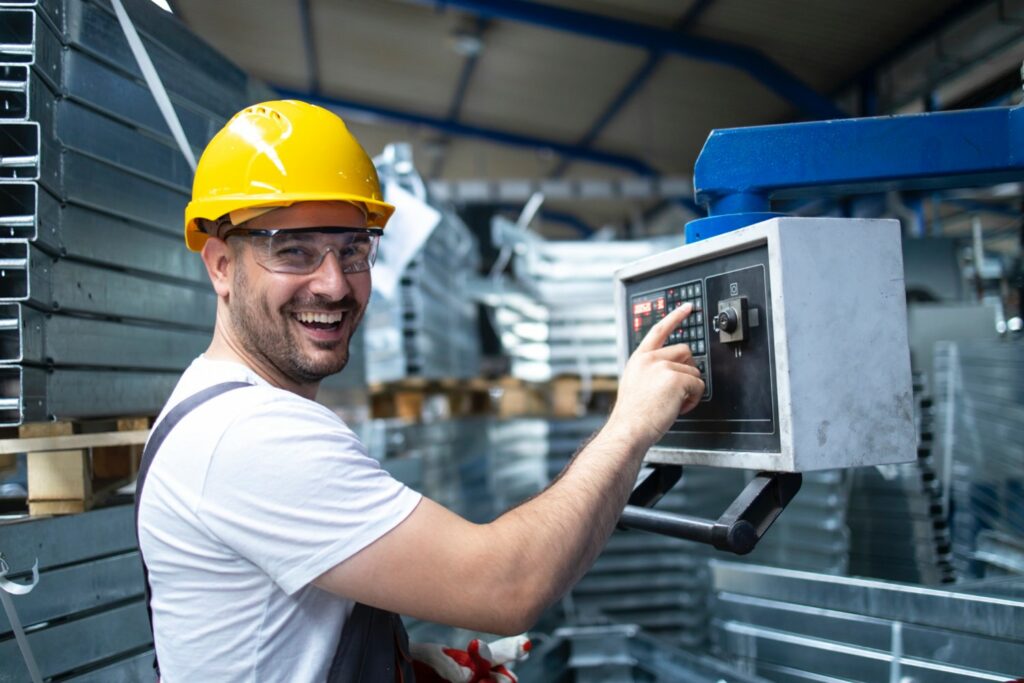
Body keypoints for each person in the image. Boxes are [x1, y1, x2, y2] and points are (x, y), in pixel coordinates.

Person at [136, 100, 704, 682]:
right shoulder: (252, 434)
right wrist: (630, 423)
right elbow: (507, 586)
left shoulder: (215, 404)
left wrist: (402, 669)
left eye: (353, 250)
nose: (334, 284)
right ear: (222, 266)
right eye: (293, 251)